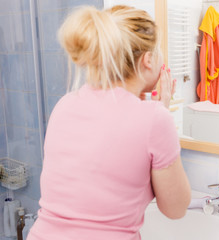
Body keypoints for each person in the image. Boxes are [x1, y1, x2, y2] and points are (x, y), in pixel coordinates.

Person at [27, 5, 191, 240]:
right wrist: (161, 109)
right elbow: (175, 209)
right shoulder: (154, 119)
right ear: (148, 60)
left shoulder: (64, 105)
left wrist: (158, 107)